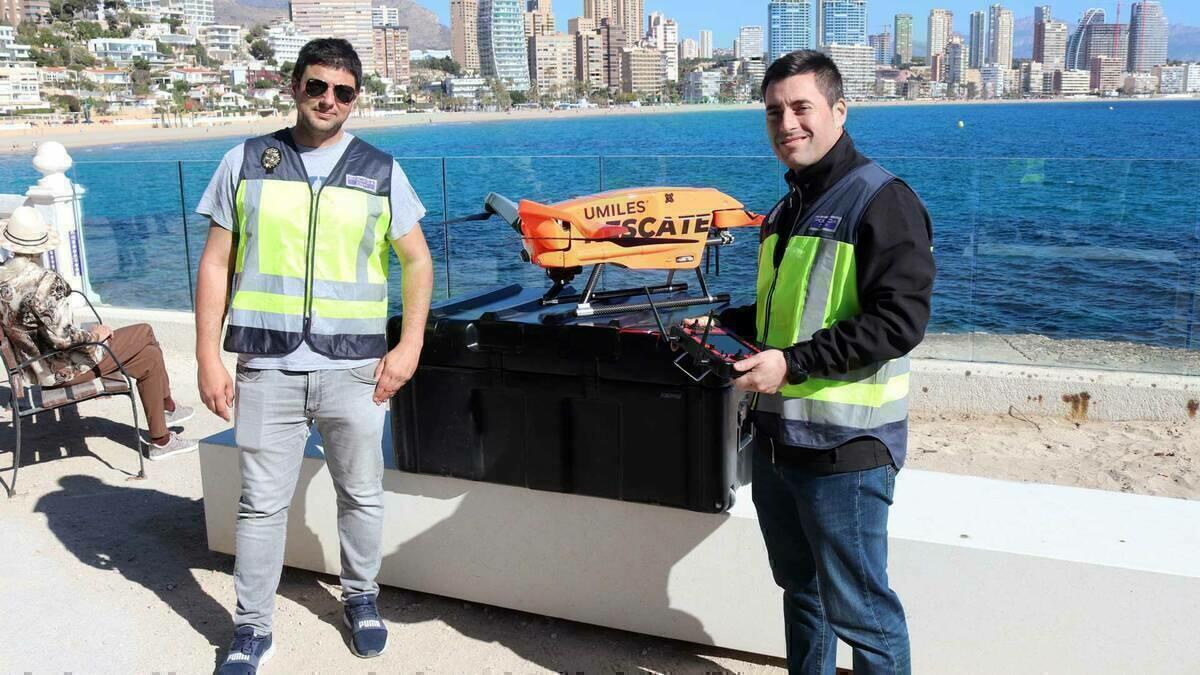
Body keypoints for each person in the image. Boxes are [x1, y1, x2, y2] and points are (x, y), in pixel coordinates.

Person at [194, 38, 433, 673]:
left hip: (355, 367)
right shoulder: (246, 160)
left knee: (361, 493)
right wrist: (207, 358)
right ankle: (251, 629)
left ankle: (362, 598)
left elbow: (417, 261)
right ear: (293, 85)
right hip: (267, 363)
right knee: (260, 503)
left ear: (356, 99)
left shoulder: (380, 170)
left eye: (343, 91)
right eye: (317, 85)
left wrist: (408, 347)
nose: (329, 99)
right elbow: (216, 263)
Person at [692, 51, 935, 673]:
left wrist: (792, 365)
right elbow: (786, 313)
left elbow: (899, 322)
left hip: (847, 449)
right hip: (779, 439)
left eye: (802, 107)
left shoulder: (882, 200)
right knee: (803, 595)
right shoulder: (787, 207)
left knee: (865, 616)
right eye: (775, 111)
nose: (787, 123)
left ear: (839, 110)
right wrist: (723, 326)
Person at [0, 206, 197, 458]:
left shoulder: (4, 279)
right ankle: (166, 410)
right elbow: (63, 339)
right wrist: (97, 335)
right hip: (61, 370)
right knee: (145, 333)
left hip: (34, 367)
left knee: (148, 358)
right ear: (40, 247)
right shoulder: (44, 282)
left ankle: (163, 432)